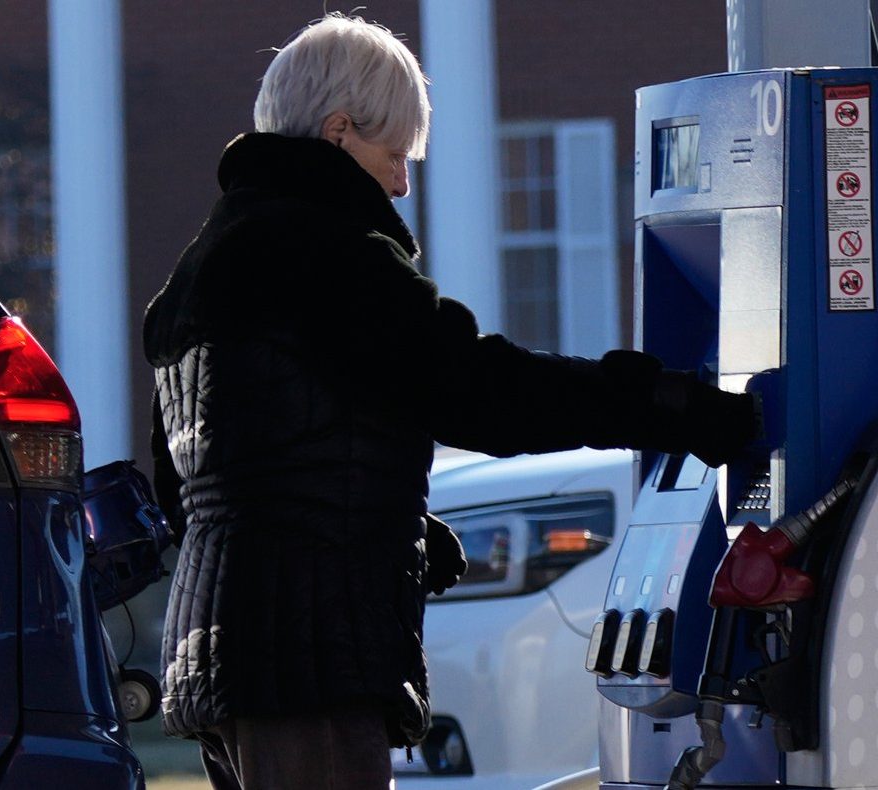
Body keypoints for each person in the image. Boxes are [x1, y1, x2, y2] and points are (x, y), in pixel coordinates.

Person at [143, 14, 758, 790]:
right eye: (393, 154)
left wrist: (385, 514)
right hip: (308, 648)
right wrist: (663, 404)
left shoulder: (193, 281)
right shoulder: (324, 255)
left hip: (219, 647)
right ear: (338, 134)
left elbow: (201, 485)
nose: (402, 182)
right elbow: (478, 390)